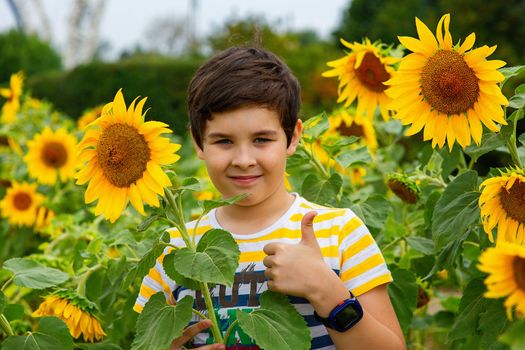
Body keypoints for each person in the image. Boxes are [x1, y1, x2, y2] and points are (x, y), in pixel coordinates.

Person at [133, 46, 405, 350]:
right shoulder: (176, 249)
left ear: (293, 137)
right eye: (223, 141)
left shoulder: (339, 233)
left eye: (262, 139)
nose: (244, 159)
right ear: (198, 142)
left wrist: (326, 290)